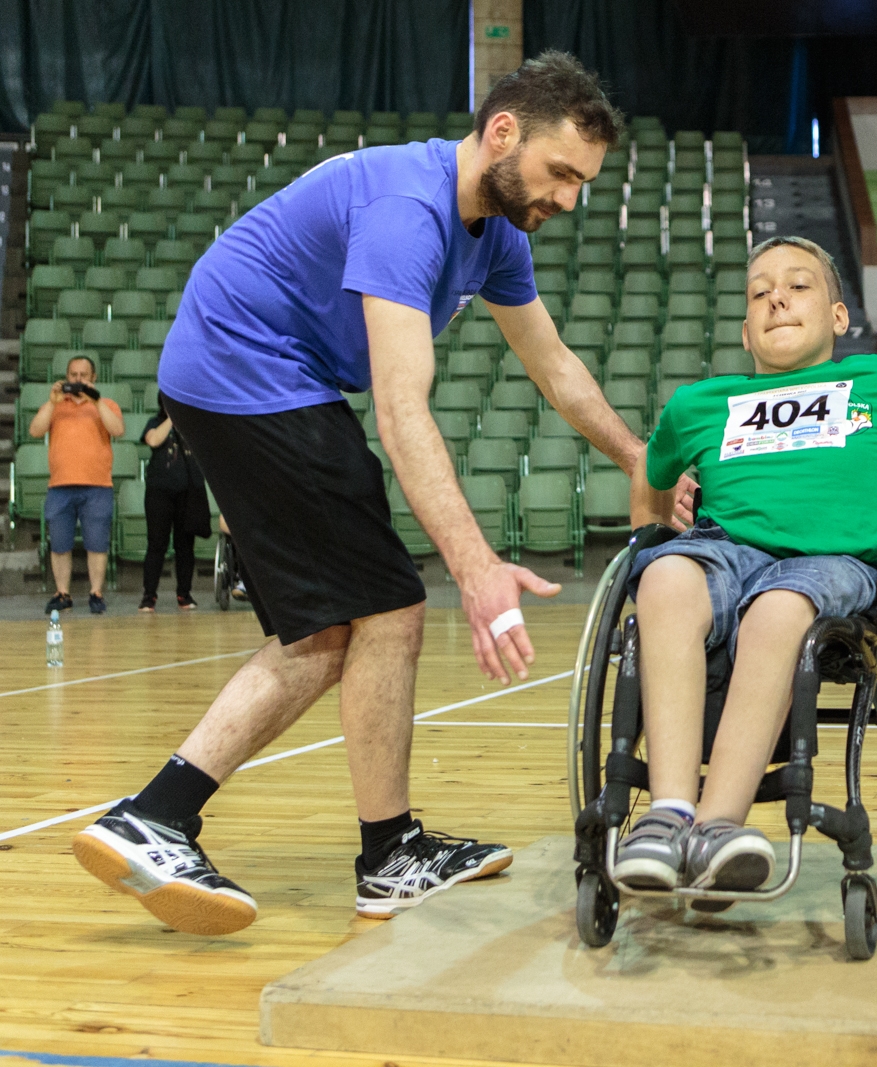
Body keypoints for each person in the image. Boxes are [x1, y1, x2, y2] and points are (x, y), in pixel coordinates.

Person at [73, 53, 678, 937]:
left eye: (583, 181)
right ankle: (343, 847)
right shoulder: (408, 211)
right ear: (502, 132)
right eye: (560, 174)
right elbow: (400, 412)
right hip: (248, 373)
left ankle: (176, 815)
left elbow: (554, 367)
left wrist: (635, 457)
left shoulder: (499, 231)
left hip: (260, 381)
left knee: (329, 628)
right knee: (389, 609)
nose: (569, 199)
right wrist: (475, 570)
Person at [614, 236, 877, 900]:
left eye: (798, 284)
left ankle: (719, 825)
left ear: (839, 316)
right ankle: (668, 815)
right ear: (746, 330)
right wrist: (653, 532)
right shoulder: (699, 404)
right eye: (759, 291)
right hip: (725, 551)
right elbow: (650, 473)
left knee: (778, 611)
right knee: (662, 577)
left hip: (835, 564)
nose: (776, 295)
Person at [29, 355, 124, 615]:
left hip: (97, 486)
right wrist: (51, 402)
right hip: (60, 485)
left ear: (93, 378)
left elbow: (117, 430)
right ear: (66, 377)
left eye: (83, 375)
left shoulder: (107, 404)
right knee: (59, 544)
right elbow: (35, 431)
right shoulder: (56, 405)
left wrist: (95, 400)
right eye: (73, 374)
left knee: (97, 543)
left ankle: (96, 593)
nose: (78, 379)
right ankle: (62, 594)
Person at [138, 397, 212, 612]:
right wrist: (173, 418)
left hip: (188, 493)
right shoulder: (155, 421)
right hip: (159, 492)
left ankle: (184, 594)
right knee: (156, 544)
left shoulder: (194, 425)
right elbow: (153, 440)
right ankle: (149, 595)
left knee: (185, 546)